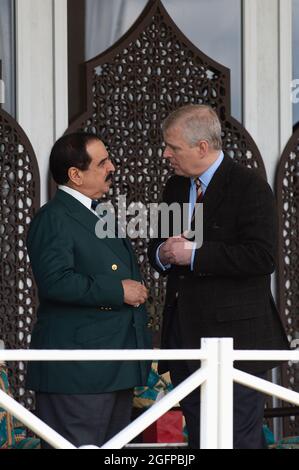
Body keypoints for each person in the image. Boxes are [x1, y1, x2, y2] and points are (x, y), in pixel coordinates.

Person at [148, 104, 289, 449]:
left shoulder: (249, 186)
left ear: (202, 147)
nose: (166, 154)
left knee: (235, 438)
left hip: (235, 342)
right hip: (185, 338)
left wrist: (195, 255)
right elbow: (160, 244)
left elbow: (261, 256)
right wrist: (162, 254)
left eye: (173, 147)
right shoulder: (176, 188)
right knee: (200, 437)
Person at [26, 133, 151, 448]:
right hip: (78, 372)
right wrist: (117, 290)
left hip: (113, 365)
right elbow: (55, 281)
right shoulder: (53, 218)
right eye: (103, 162)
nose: (112, 167)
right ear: (75, 175)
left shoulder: (101, 213)